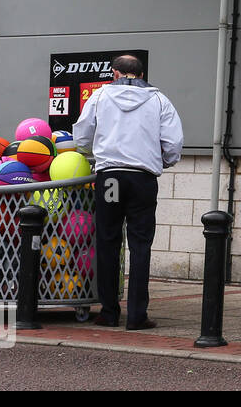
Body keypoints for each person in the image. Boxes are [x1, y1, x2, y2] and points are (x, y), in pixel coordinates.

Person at [73, 54, 183, 330]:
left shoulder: (99, 97)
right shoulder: (159, 100)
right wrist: (162, 161)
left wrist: (92, 156)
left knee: (108, 241)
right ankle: (137, 316)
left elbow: (82, 136)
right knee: (140, 245)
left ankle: (109, 312)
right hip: (142, 180)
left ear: (114, 73)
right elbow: (173, 143)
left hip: (110, 177)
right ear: (142, 73)